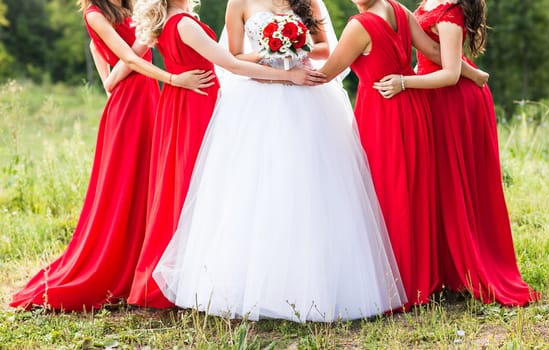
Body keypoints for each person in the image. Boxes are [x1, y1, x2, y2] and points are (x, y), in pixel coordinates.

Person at [151, 0, 407, 322]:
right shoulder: (238, 3)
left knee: (310, 186)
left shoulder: (308, 1)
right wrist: (272, 54)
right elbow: (234, 58)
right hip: (257, 99)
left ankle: (313, 285)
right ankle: (252, 285)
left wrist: (298, 49)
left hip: (308, 98)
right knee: (254, 189)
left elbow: (327, 47)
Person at [120, 0, 325, 308]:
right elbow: (232, 63)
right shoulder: (185, 24)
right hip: (197, 101)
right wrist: (286, 72)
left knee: (186, 185)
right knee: (200, 186)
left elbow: (133, 57)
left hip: (181, 101)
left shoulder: (171, 21)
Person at [9, 0, 208, 311]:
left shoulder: (132, 7)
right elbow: (128, 56)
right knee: (124, 186)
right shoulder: (95, 13)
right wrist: (172, 79)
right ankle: (117, 266)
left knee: (150, 184)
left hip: (150, 100)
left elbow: (106, 54)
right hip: (129, 107)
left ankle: (147, 265)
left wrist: (111, 76)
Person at [314, 0, 487, 310]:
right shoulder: (400, 10)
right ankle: (425, 280)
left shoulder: (358, 25)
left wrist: (278, 71)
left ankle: (399, 282)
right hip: (413, 108)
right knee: (417, 193)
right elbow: (436, 54)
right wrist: (472, 75)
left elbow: (325, 74)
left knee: (387, 193)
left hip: (382, 111)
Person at [378, 0, 538, 305]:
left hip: (454, 102)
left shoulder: (450, 13)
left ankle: (465, 271)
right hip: (434, 98)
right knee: (438, 185)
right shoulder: (428, 3)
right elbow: (434, 53)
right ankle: (447, 270)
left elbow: (450, 72)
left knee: (455, 187)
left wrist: (404, 82)